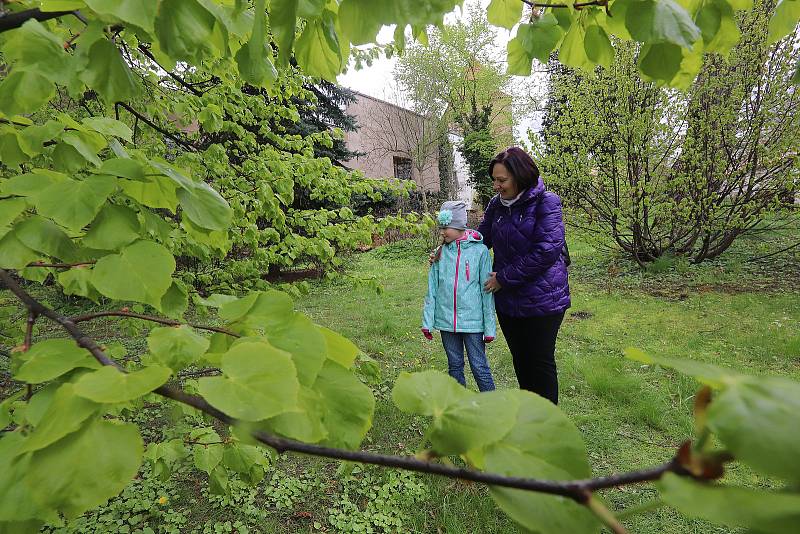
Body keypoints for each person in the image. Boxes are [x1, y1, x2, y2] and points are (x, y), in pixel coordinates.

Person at [477, 147, 570, 404]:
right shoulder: (496, 205)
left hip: (544, 300)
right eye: (494, 179)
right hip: (509, 301)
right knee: (520, 360)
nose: (496, 186)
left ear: (520, 176)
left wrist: (503, 278)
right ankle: (530, 418)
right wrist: (449, 249)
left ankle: (548, 426)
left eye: (502, 180)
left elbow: (546, 251)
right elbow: (480, 240)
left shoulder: (546, 201)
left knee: (539, 363)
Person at [422, 200, 497, 392]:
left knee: (479, 366)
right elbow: (432, 289)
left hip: (473, 323)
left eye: (446, 227)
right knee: (454, 366)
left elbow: (487, 292)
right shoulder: (439, 253)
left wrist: (489, 328)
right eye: (441, 227)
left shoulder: (480, 252)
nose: (442, 232)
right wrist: (427, 321)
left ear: (459, 226)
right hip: (447, 322)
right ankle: (458, 406)